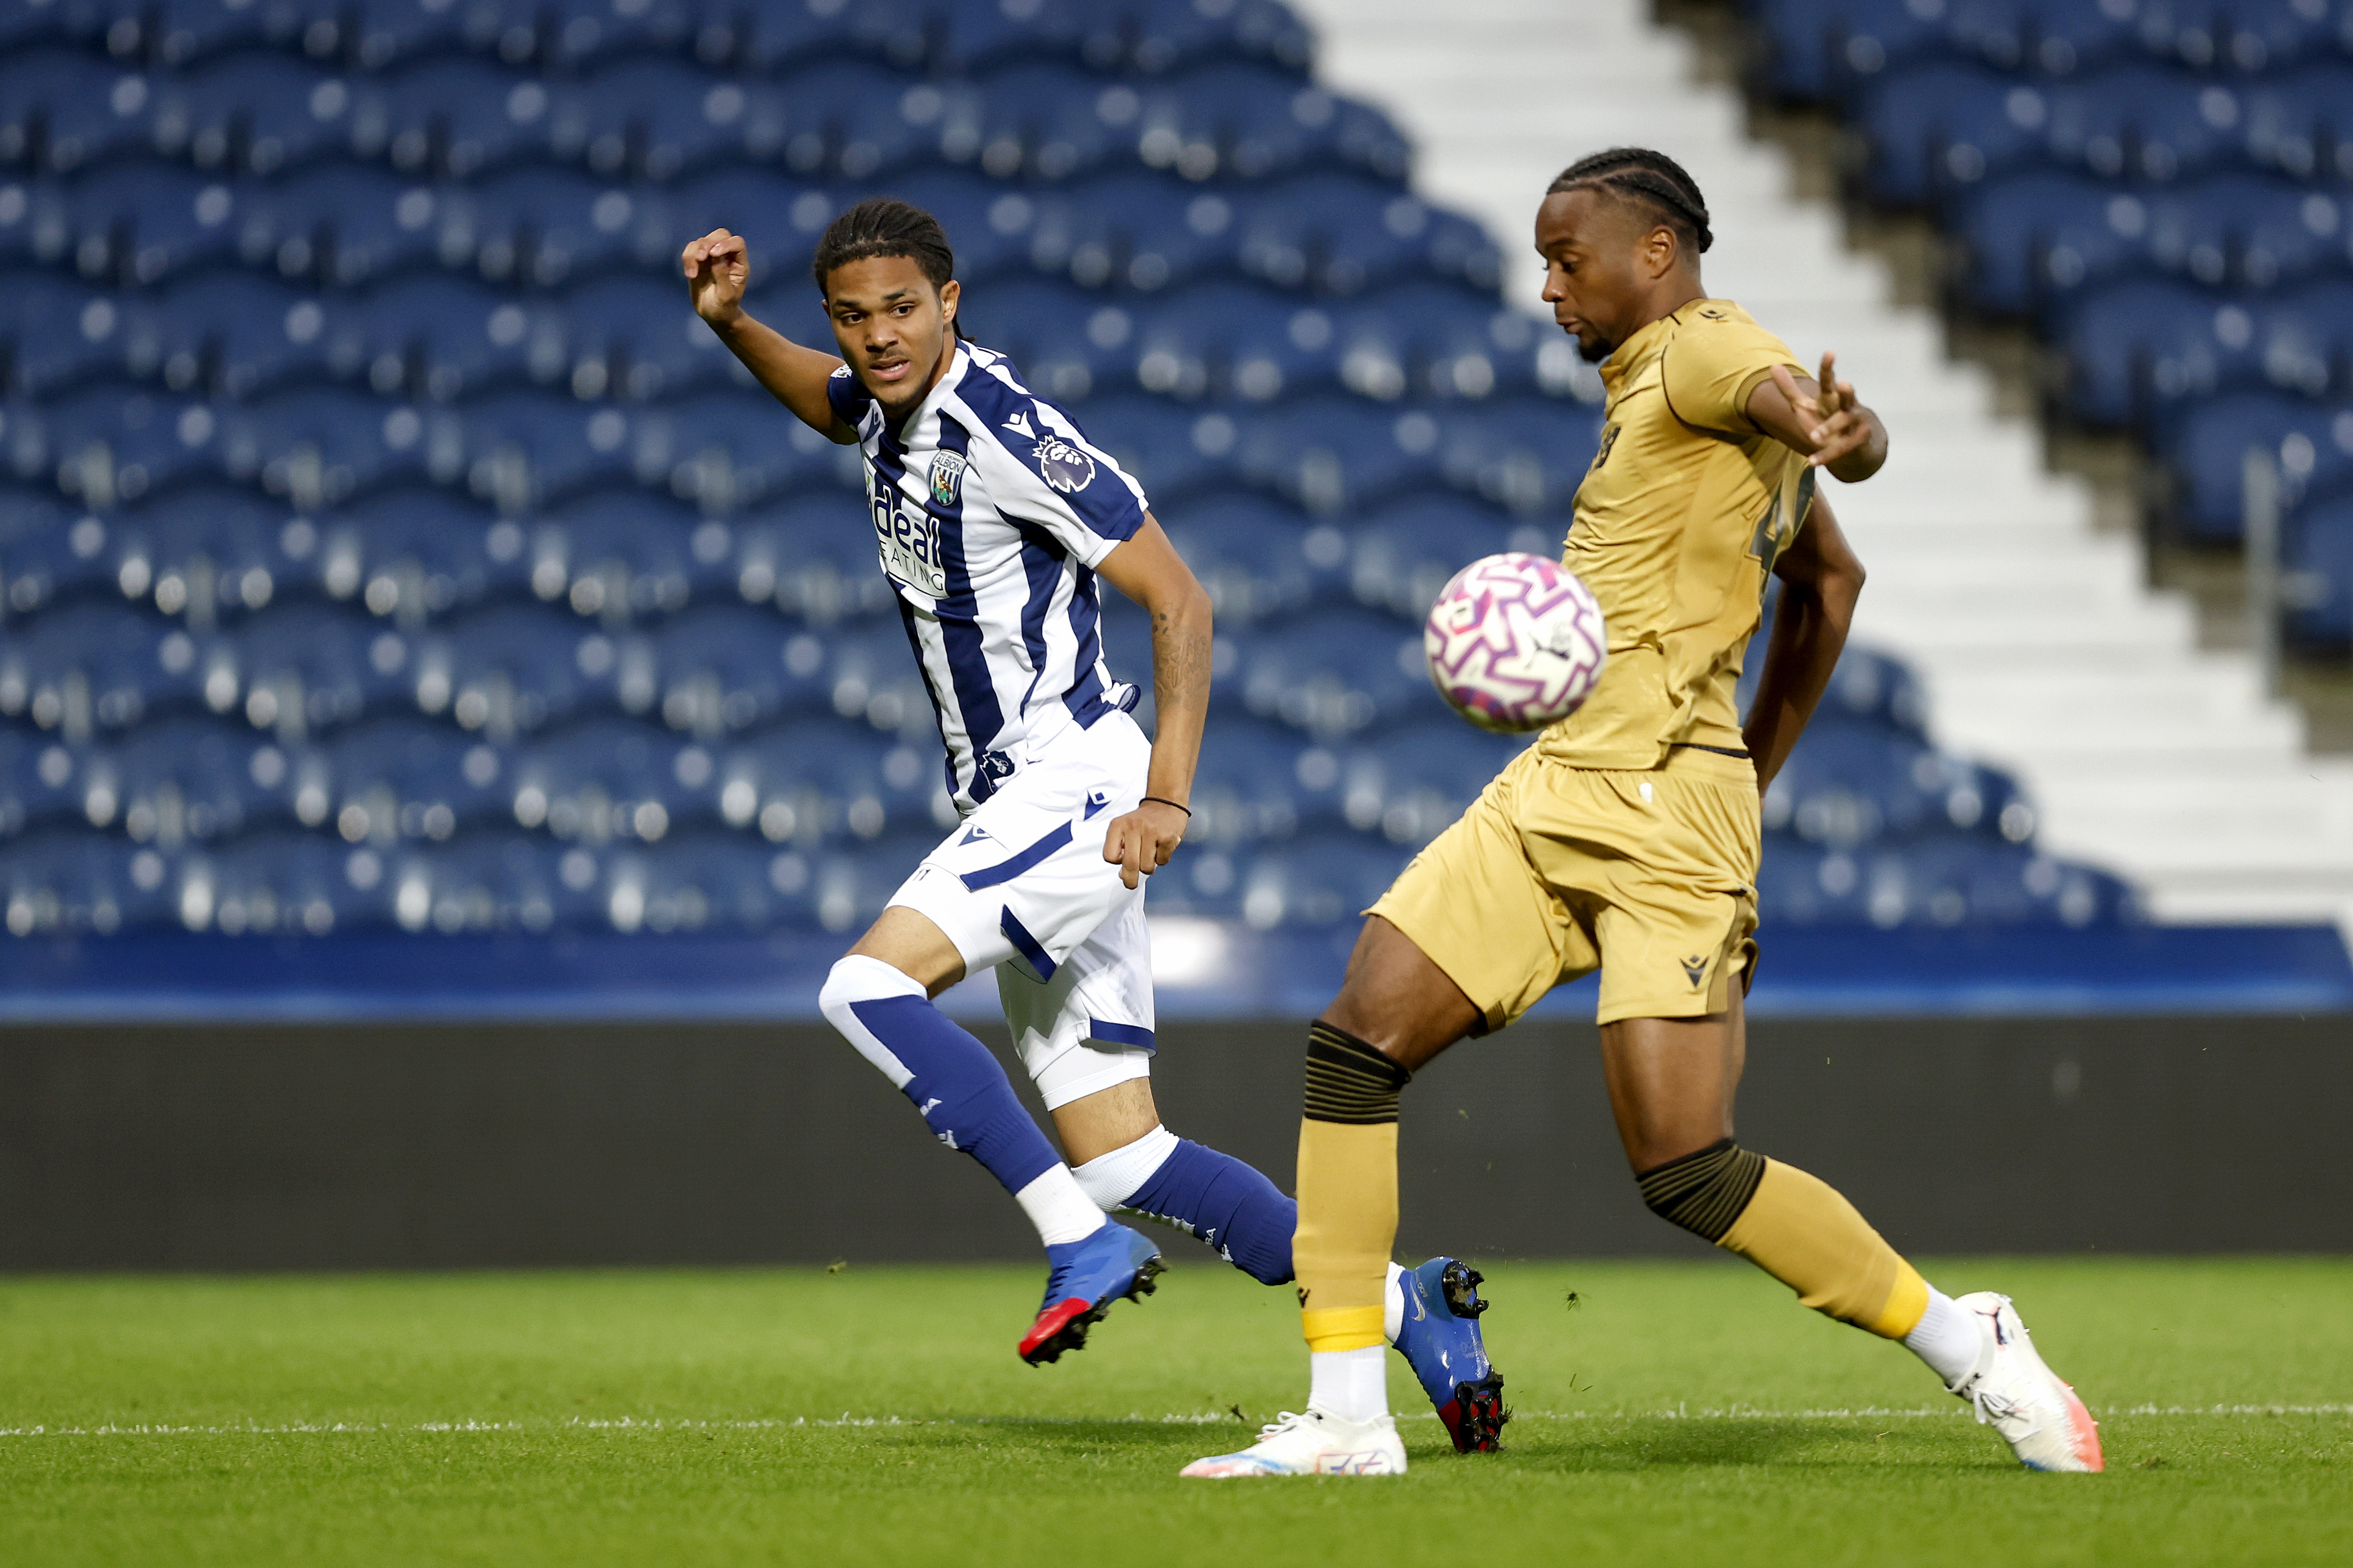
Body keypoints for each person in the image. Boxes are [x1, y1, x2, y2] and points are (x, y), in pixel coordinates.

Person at [1185, 148, 2103, 1479]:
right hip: (1562, 784)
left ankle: (1972, 1339)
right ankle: (1344, 1417)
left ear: (1656, 253)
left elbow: (1810, 414)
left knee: (1684, 1168)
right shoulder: (1659, 401)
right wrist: (1756, 770)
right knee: (1354, 1042)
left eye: (1571, 258)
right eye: (1547, 261)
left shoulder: (1704, 353)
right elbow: (1831, 582)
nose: (1551, 286)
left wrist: (1852, 432)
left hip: (1666, 819)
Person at [681, 198, 1507, 1451]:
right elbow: (830, 399)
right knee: (1125, 1152)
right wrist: (740, 325)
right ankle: (1409, 1302)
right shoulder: (885, 409)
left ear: (951, 303)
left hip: (1076, 783)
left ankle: (1074, 1239)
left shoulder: (1005, 429)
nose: (875, 337)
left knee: (864, 988)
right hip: (1032, 798)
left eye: (901, 308)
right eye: (853, 317)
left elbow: (1179, 596)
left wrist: (1167, 792)